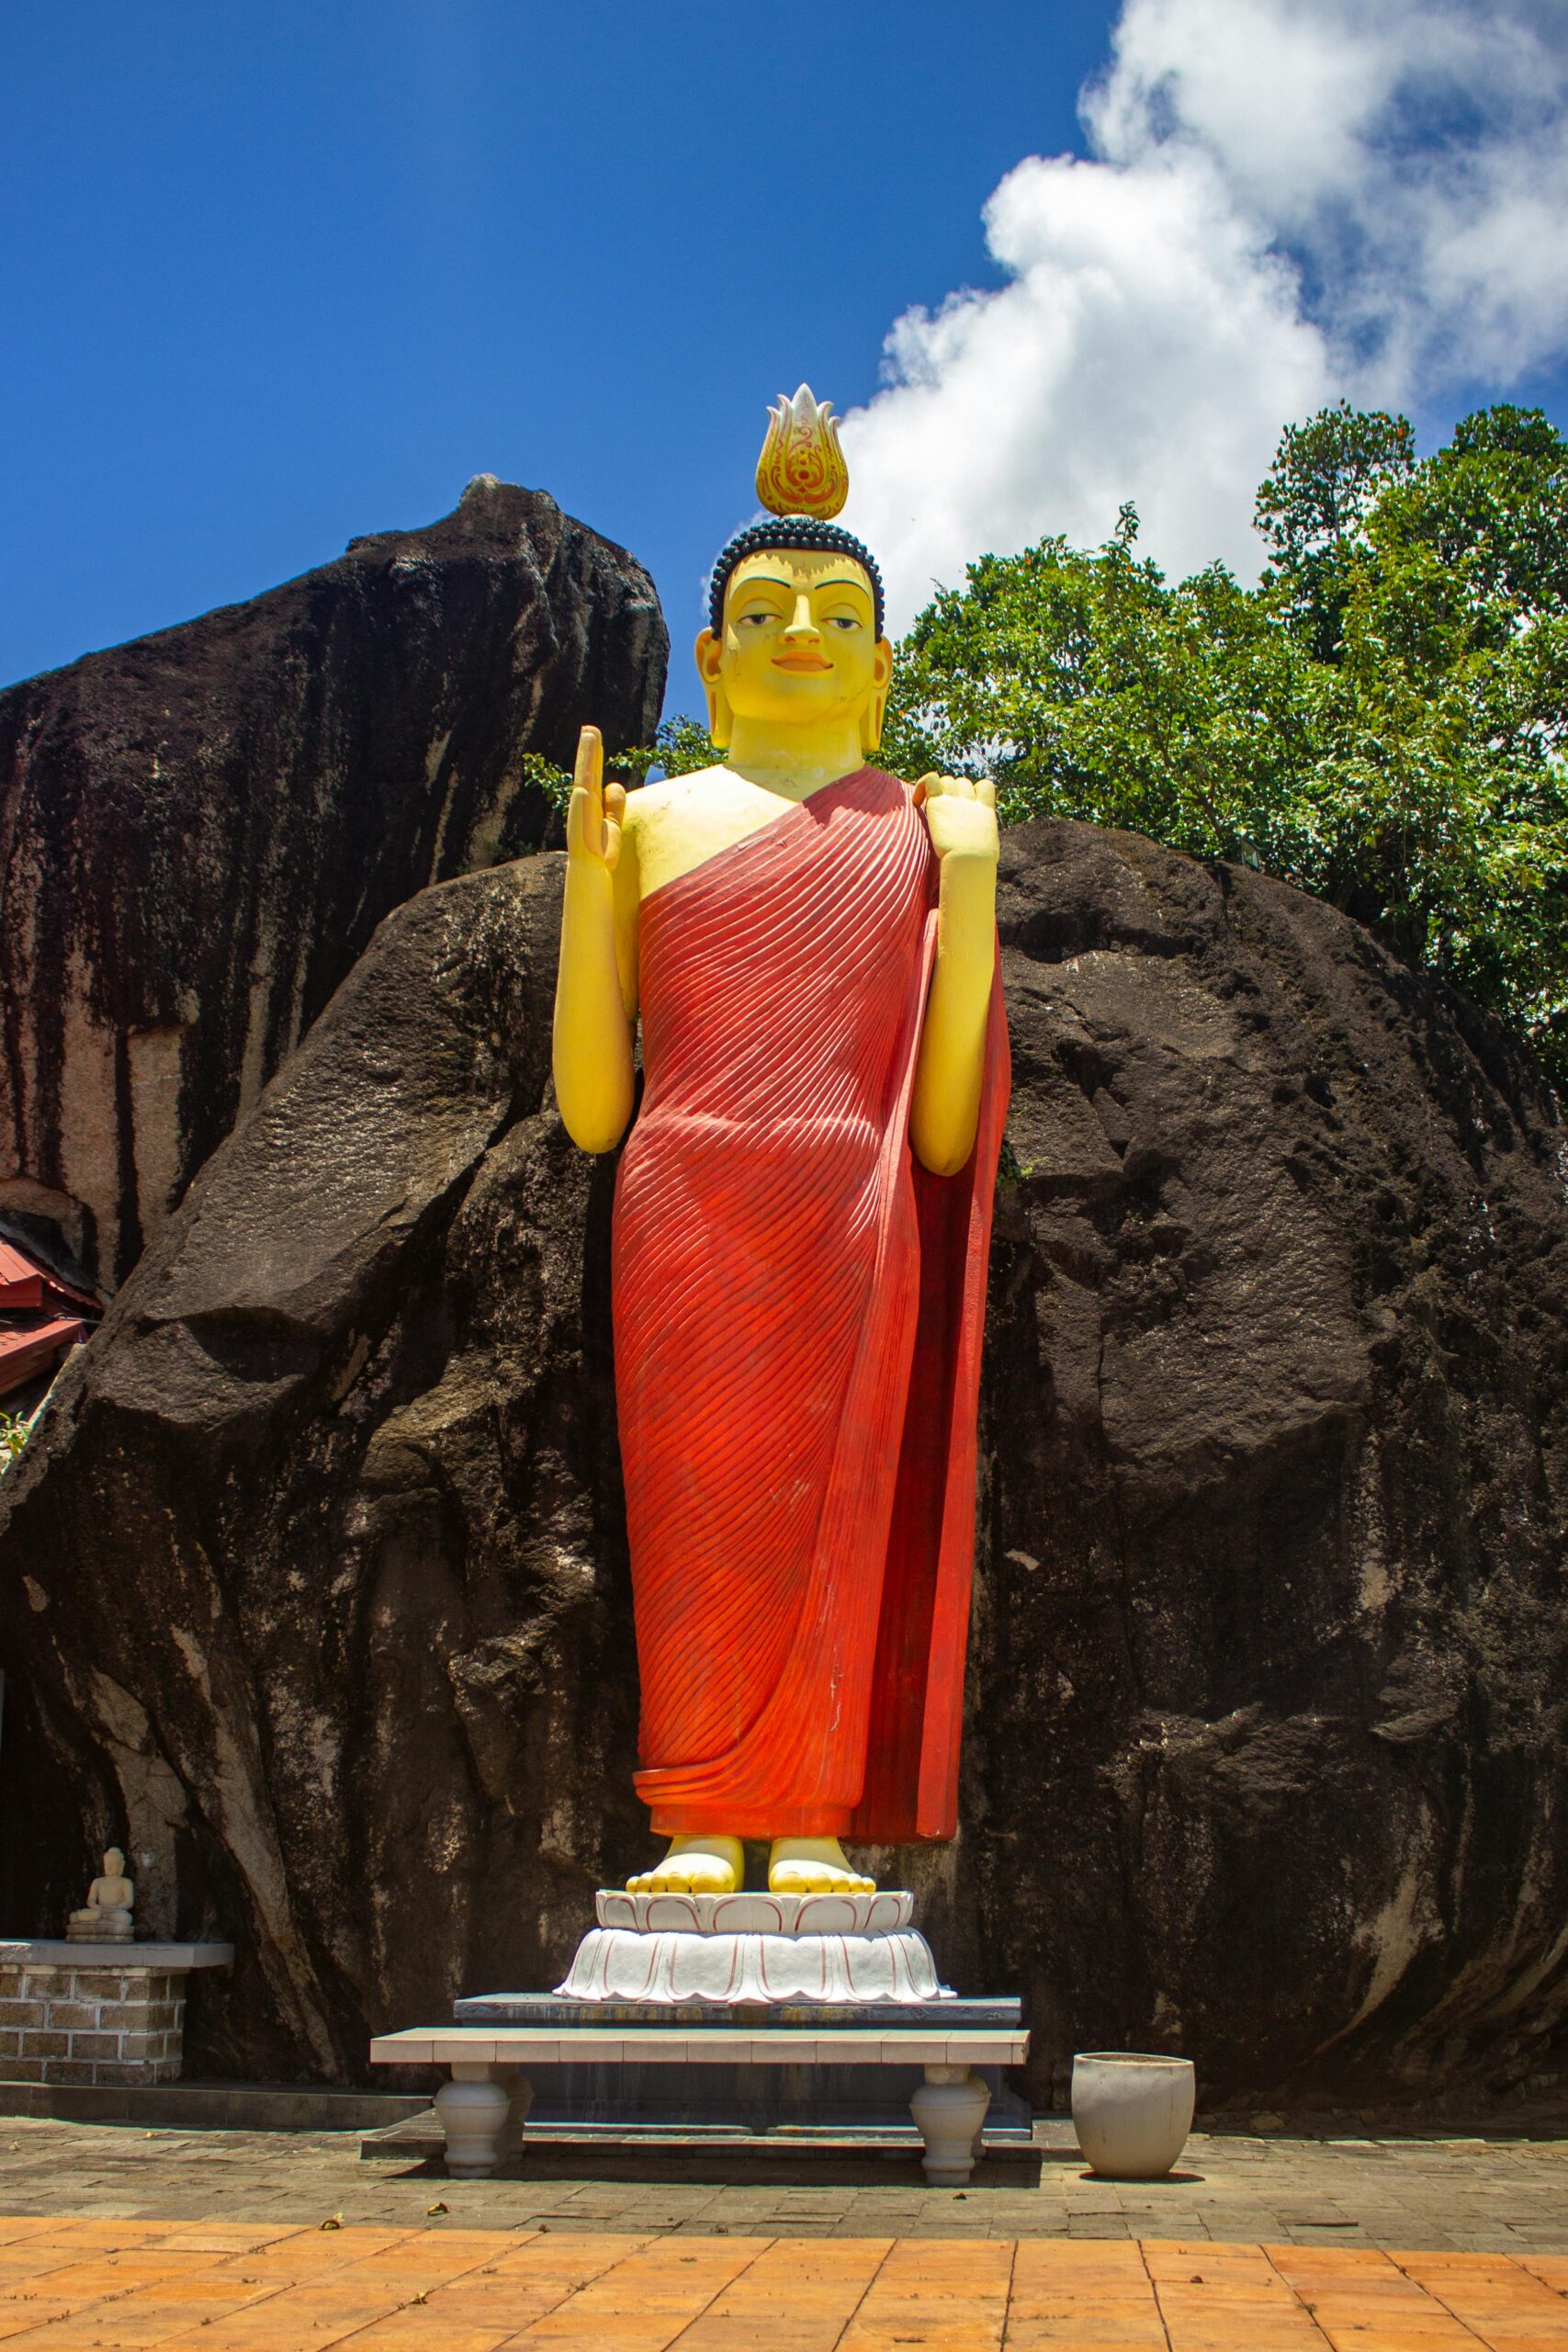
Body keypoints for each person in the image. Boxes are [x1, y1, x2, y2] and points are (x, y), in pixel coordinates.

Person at [552, 389, 1009, 1896]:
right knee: (695, 1519)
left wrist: (977, 882)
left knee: (836, 1509)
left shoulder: (911, 828)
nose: (796, 631)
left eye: (831, 612)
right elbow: (591, 1111)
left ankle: (809, 1808)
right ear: (712, 657)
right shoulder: (658, 822)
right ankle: (695, 1812)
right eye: (763, 608)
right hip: (681, 1196)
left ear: (880, 665)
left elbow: (943, 1131)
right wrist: (585, 885)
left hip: (853, 1201)